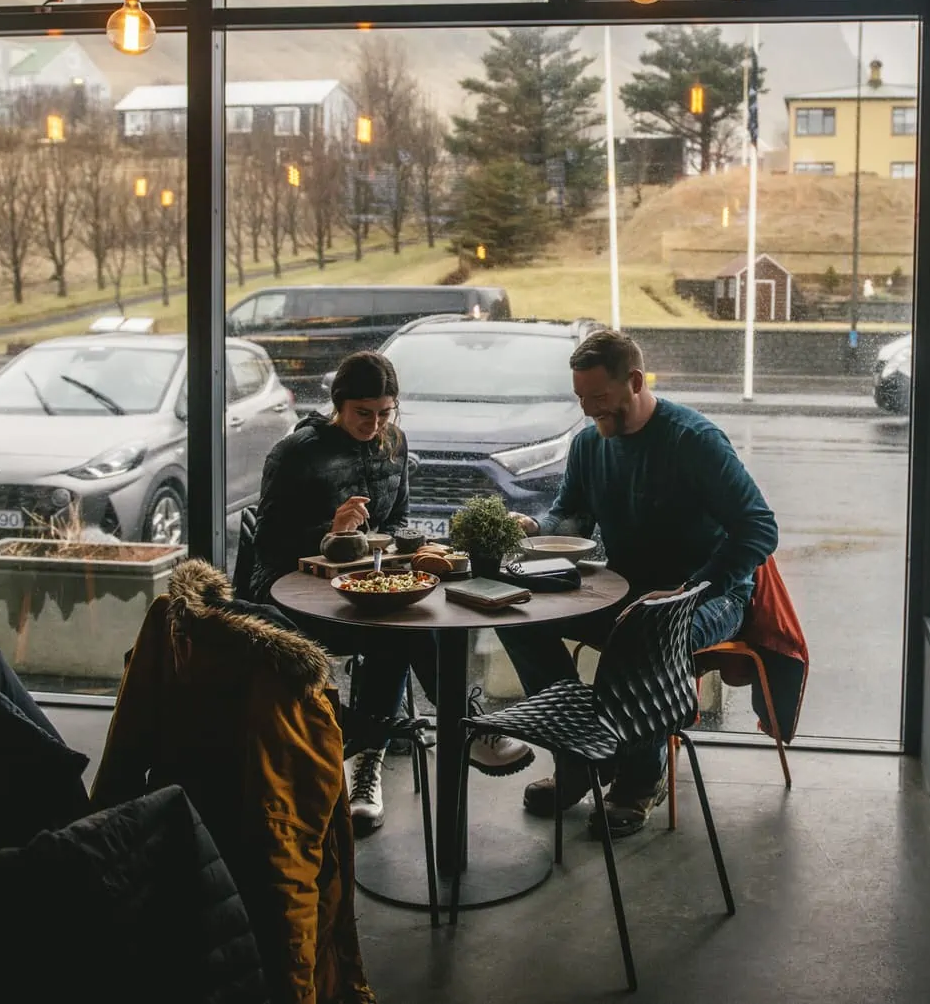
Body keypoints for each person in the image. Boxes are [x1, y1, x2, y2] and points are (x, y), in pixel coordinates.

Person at [498, 328, 778, 838]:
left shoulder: (693, 441)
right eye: (581, 399)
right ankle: (578, 758)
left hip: (710, 594)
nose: (588, 410)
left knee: (643, 632)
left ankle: (639, 777)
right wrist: (536, 527)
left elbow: (759, 528)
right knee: (517, 617)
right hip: (626, 590)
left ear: (634, 381)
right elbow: (572, 516)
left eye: (599, 398)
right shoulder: (587, 445)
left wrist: (695, 586)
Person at [251, 350, 533, 830]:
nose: (376, 424)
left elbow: (398, 516)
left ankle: (371, 756)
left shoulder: (394, 444)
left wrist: (402, 546)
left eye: (386, 413)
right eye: (364, 414)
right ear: (338, 404)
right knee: (400, 630)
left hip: (364, 581)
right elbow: (268, 542)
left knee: (405, 619)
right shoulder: (298, 452)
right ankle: (448, 732)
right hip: (291, 595)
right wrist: (332, 530)